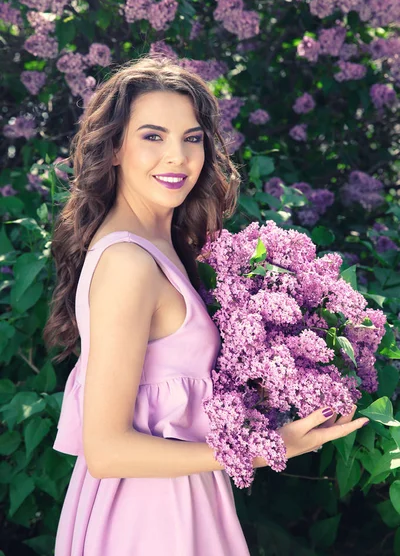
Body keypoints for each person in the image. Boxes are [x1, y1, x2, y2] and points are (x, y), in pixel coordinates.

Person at [43, 54, 370, 556]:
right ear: (113, 149)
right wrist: (269, 448)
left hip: (179, 496)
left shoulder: (161, 243)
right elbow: (106, 450)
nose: (177, 157)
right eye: (153, 136)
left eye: (191, 137)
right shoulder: (128, 262)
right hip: (148, 517)